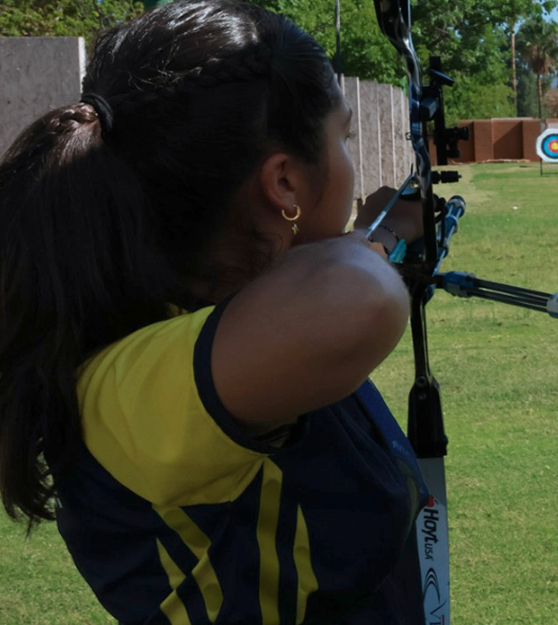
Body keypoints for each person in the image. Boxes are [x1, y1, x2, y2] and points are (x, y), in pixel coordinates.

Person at [0, 1, 429, 622]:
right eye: (345, 136)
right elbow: (354, 297)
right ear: (284, 183)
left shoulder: (229, 324)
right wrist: (379, 241)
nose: (349, 156)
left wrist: (360, 238)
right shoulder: (130, 387)